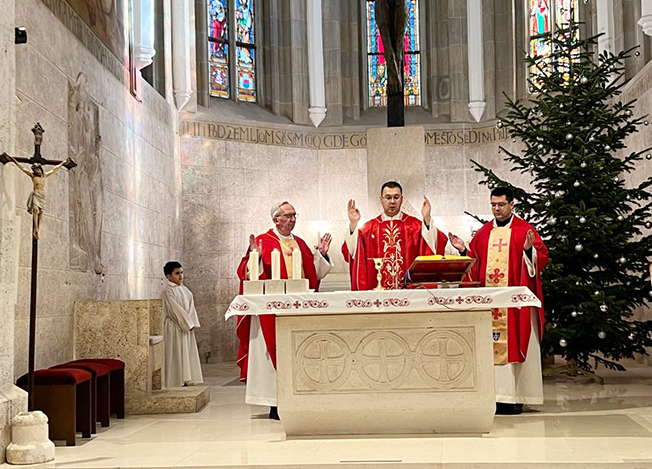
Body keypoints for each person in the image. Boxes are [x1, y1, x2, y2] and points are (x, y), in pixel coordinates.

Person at [448, 187, 548, 415]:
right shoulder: (483, 233)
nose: (496, 209)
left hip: (515, 307)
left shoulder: (525, 231)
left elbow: (541, 259)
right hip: (491, 305)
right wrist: (464, 250)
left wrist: (529, 250)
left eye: (501, 204)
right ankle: (495, 396)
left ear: (512, 204)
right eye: (493, 205)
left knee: (517, 342)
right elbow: (474, 263)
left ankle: (516, 396)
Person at [236, 201, 333, 419]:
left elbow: (314, 274)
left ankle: (299, 397)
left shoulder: (300, 243)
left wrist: (322, 256)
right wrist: (256, 257)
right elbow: (247, 272)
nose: (292, 219)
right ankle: (273, 403)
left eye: (294, 215)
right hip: (269, 311)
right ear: (276, 219)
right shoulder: (262, 241)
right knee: (269, 355)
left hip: (297, 308)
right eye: (287, 215)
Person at [342, 181, 448, 290]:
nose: (392, 201)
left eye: (396, 197)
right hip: (377, 293)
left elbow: (436, 246)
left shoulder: (415, 226)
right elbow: (349, 252)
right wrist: (353, 224)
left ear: (402, 199)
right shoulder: (368, 229)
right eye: (388, 197)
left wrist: (427, 219)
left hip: (410, 292)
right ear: (381, 200)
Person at [6, 155, 70, 239]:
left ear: (40, 169)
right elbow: (23, 168)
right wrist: (14, 161)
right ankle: (35, 228)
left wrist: (62, 163)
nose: (37, 171)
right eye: (35, 170)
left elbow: (54, 169)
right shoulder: (33, 176)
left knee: (41, 213)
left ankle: (37, 229)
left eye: (38, 169)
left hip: (42, 196)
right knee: (36, 210)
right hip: (36, 194)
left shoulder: (44, 176)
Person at [162, 261, 204, 388]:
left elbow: (191, 307)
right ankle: (175, 380)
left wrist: (191, 322)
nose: (181, 276)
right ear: (168, 276)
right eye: (177, 273)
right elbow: (175, 310)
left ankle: (186, 378)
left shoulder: (185, 290)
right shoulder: (168, 291)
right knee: (176, 352)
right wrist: (187, 323)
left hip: (186, 326)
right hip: (175, 326)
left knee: (186, 351)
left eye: (181, 273)